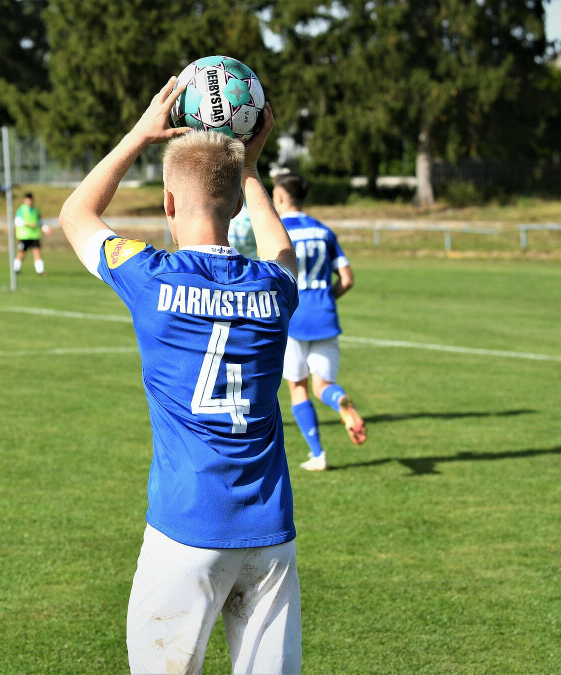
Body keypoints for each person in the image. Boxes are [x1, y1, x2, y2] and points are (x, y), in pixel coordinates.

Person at [58, 78, 302, 674]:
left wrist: (142, 134)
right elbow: (284, 253)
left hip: (185, 528)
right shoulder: (272, 289)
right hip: (269, 534)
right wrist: (249, 164)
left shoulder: (149, 277)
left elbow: (76, 213)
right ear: (239, 205)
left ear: (168, 204)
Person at [272, 173, 367, 472]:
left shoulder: (278, 231)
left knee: (298, 387)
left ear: (281, 198)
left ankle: (318, 455)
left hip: (295, 318)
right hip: (325, 317)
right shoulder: (324, 231)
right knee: (323, 385)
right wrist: (326, 299)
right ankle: (340, 401)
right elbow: (348, 279)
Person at [14, 192, 46, 276]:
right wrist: (28, 225)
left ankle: (40, 271)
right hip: (24, 235)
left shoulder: (36, 209)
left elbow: (39, 221)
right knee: (22, 252)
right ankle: (16, 269)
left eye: (31, 200)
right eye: (28, 200)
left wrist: (45, 228)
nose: (30, 201)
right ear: (24, 200)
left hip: (34, 235)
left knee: (37, 252)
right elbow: (17, 221)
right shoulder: (21, 209)